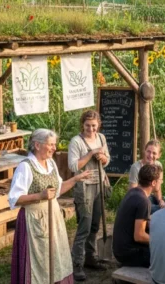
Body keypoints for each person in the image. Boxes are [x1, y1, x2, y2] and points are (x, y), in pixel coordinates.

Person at [9, 129, 92, 284]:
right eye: (51, 144)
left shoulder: (51, 163)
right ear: (37, 145)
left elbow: (57, 190)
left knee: (56, 257)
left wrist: (75, 179)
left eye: (54, 144)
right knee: (39, 262)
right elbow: (15, 199)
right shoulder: (26, 167)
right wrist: (39, 196)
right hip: (34, 221)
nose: (54, 148)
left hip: (53, 217)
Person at [67, 110, 111, 280]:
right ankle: (77, 263)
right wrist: (91, 153)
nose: (91, 129)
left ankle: (90, 257)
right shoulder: (76, 142)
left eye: (94, 126)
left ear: (98, 124)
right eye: (87, 126)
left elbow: (107, 160)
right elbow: (73, 166)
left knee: (94, 225)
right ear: (82, 125)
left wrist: (103, 158)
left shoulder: (101, 138)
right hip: (84, 187)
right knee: (84, 226)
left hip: (99, 184)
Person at [112, 164, 163, 267]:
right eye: (160, 180)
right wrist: (159, 241)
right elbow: (139, 236)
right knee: (164, 255)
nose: (161, 182)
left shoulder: (133, 192)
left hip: (119, 249)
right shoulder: (143, 201)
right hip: (127, 254)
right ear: (153, 182)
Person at [129, 140, 165, 213]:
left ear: (159, 155)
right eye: (148, 151)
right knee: (159, 211)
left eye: (154, 153)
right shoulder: (136, 167)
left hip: (152, 197)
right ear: (144, 151)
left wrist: (160, 200)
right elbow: (132, 192)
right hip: (139, 199)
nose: (150, 155)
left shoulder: (158, 165)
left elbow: (158, 188)